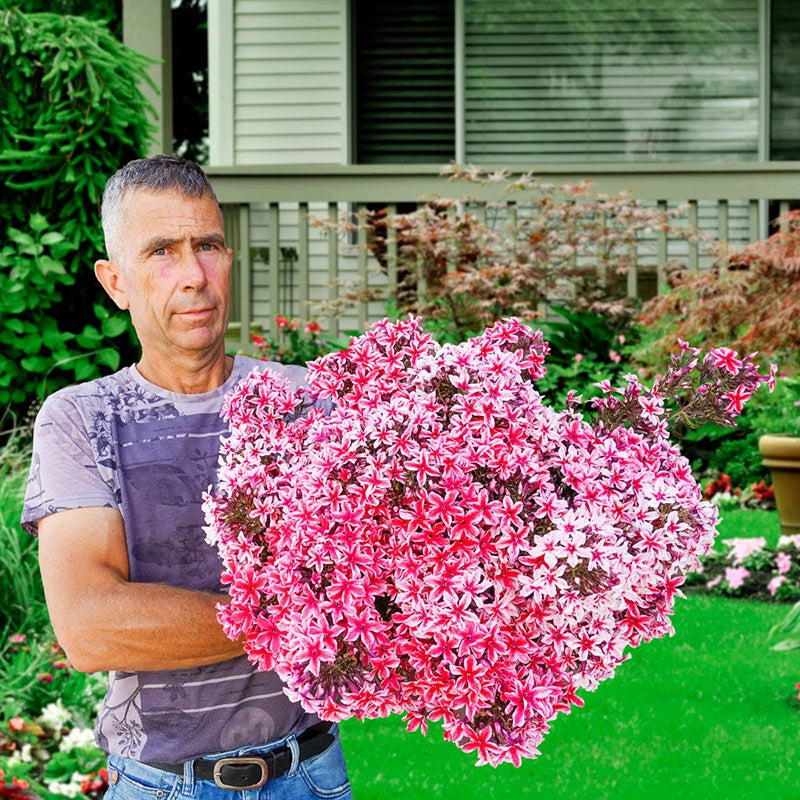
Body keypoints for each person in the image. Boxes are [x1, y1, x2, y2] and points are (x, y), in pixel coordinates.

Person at [21, 155, 352, 799]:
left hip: (311, 773)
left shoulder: (309, 402)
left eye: (208, 246)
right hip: (163, 785)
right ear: (116, 282)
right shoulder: (83, 419)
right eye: (162, 252)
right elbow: (91, 626)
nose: (195, 275)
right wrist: (308, 618)